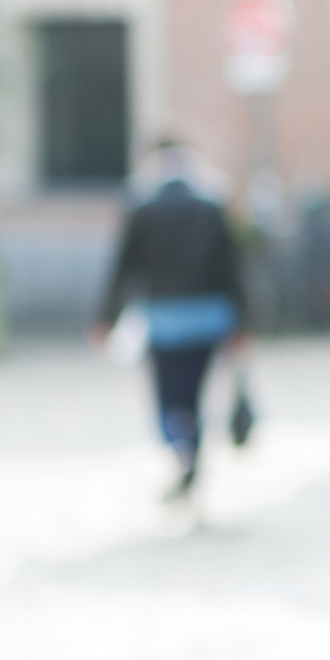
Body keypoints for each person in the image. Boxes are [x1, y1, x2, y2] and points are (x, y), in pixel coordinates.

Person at [95, 139, 248, 501]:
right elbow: (233, 270)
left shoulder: (143, 208)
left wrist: (105, 317)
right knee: (195, 391)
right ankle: (191, 445)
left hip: (163, 319)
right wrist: (243, 321)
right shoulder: (212, 208)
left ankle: (179, 443)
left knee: (168, 391)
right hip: (208, 318)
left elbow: (124, 268)